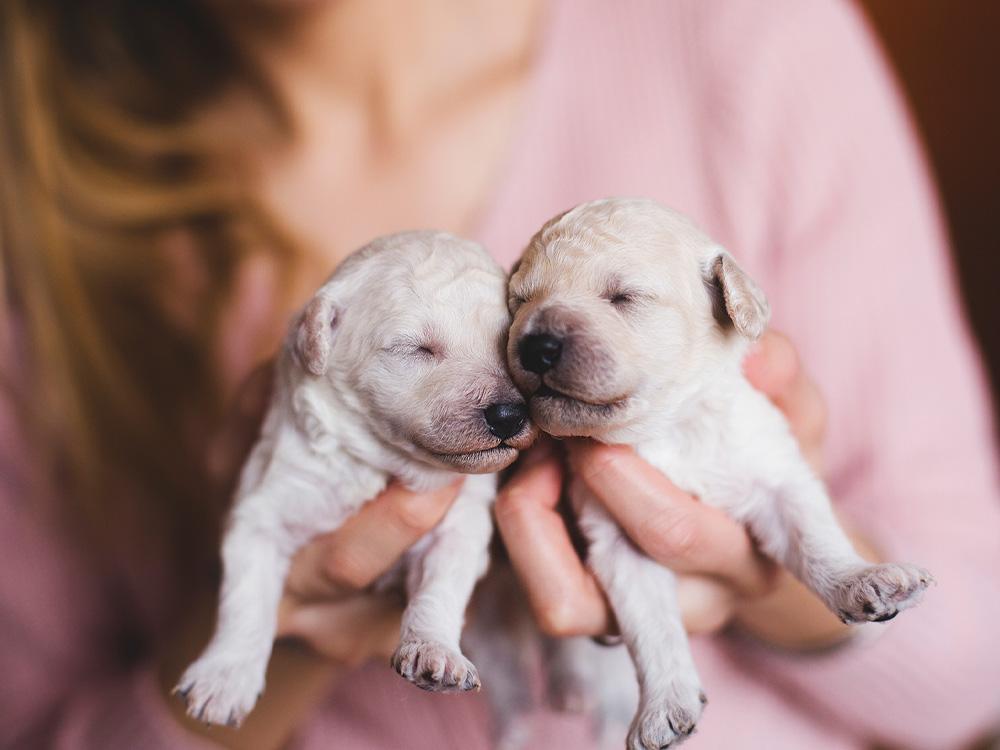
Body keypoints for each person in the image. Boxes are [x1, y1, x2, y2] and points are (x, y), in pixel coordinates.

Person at [1, 1, 997, 748]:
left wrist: (769, 573)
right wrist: (278, 633)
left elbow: (973, 666)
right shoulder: (41, 195)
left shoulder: (738, 36)